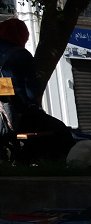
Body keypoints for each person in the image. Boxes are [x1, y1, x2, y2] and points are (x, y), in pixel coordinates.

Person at [0, 18, 73, 162]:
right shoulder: (19, 55)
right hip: (15, 118)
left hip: (4, 120)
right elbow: (29, 93)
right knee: (60, 130)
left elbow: (4, 89)